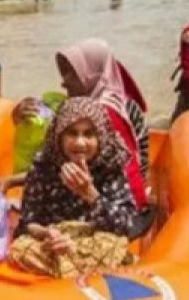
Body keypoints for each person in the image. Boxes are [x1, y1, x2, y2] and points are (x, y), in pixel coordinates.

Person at [10, 38, 150, 209]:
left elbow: (72, 163)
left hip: (118, 201)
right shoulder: (115, 98)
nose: (64, 82)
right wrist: (19, 116)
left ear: (91, 74)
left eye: (71, 73)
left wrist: (11, 181)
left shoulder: (104, 114)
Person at [8, 98, 138, 277]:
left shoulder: (110, 166)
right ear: (59, 136)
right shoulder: (43, 165)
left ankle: (66, 271)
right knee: (20, 249)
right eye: (72, 133)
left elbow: (125, 224)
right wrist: (49, 235)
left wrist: (90, 194)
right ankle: (79, 271)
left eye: (88, 134)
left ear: (99, 136)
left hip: (92, 241)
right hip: (53, 243)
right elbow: (29, 221)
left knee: (113, 244)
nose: (80, 143)